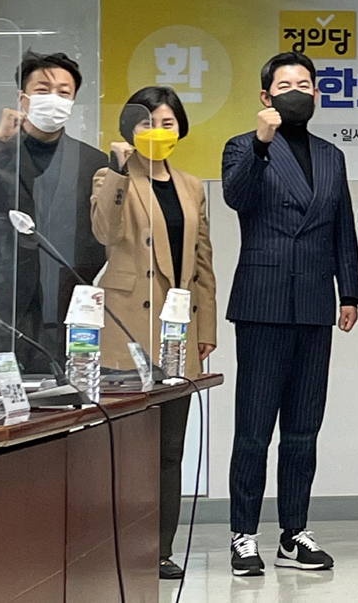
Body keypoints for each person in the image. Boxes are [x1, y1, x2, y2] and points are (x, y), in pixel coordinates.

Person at [222, 51, 358, 576]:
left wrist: (349, 293)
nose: (297, 92)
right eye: (285, 85)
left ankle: (293, 534)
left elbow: (342, 226)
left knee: (303, 428)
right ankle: (242, 534)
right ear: (266, 96)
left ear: (317, 93)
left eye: (305, 84)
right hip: (263, 301)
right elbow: (237, 198)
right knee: (254, 428)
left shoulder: (330, 155)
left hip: (314, 304)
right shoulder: (243, 146)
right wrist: (261, 142)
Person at [89, 86, 217, 579]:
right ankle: (115, 546)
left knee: (169, 450)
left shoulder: (191, 185)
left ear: (180, 129)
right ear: (129, 128)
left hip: (177, 334)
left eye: (167, 123)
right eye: (148, 122)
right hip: (125, 328)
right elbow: (105, 232)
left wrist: (206, 326)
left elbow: (203, 263)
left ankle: (160, 549)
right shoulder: (112, 176)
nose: (158, 131)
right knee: (124, 449)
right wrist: (120, 169)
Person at [0, 50, 107, 367]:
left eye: (63, 93)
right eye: (42, 90)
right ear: (22, 98)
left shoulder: (92, 162)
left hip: (65, 315)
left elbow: (97, 237)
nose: (53, 99)